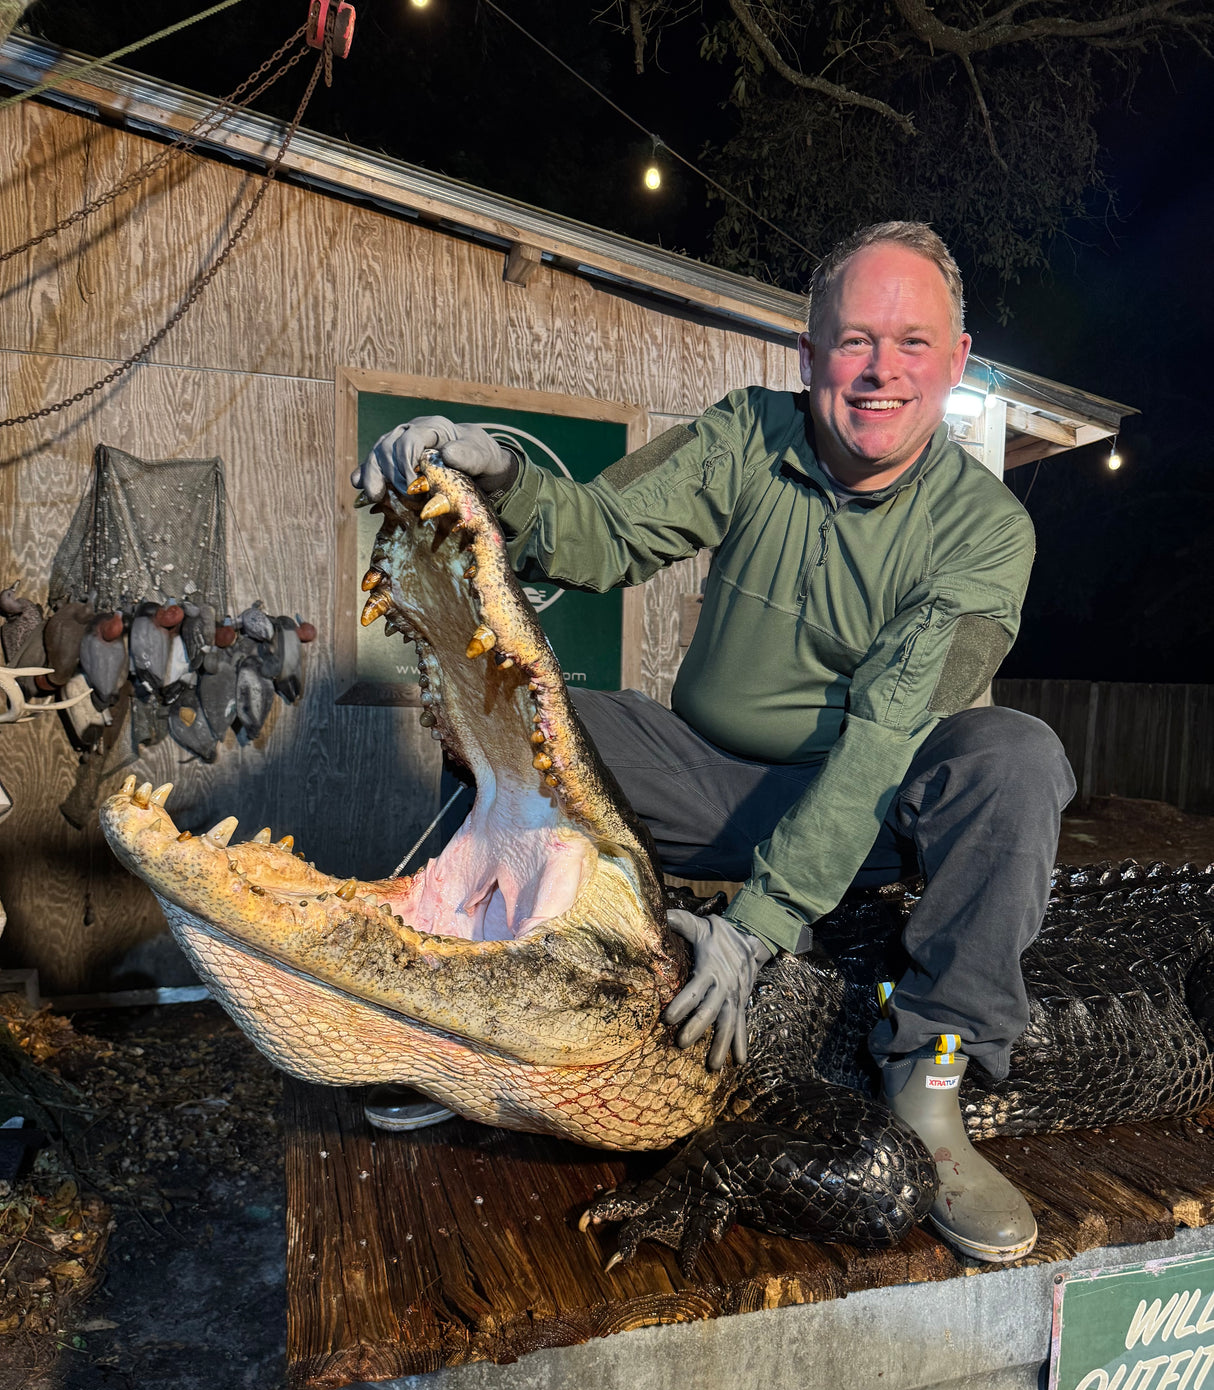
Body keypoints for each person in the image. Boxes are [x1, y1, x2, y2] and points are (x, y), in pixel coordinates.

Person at [353, 221, 1076, 1264]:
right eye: (854, 341)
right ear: (808, 354)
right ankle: (456, 1012)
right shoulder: (748, 434)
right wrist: (499, 470)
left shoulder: (986, 527)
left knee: (1015, 754)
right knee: (530, 715)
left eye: (912, 344)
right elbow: (602, 533)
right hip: (708, 775)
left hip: (875, 804)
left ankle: (929, 1085)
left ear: (956, 362)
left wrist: (759, 923)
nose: (879, 372)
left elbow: (880, 736)